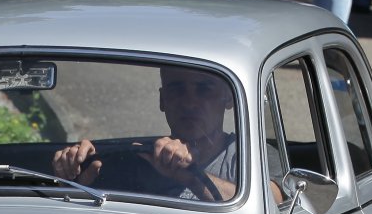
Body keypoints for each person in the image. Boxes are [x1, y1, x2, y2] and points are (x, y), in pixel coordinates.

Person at [50, 67, 240, 201]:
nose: (190, 103)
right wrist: (76, 172)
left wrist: (192, 176)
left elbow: (258, 206)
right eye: (177, 89)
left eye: (204, 89)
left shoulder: (246, 157)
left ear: (229, 98)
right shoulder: (137, 162)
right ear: (162, 100)